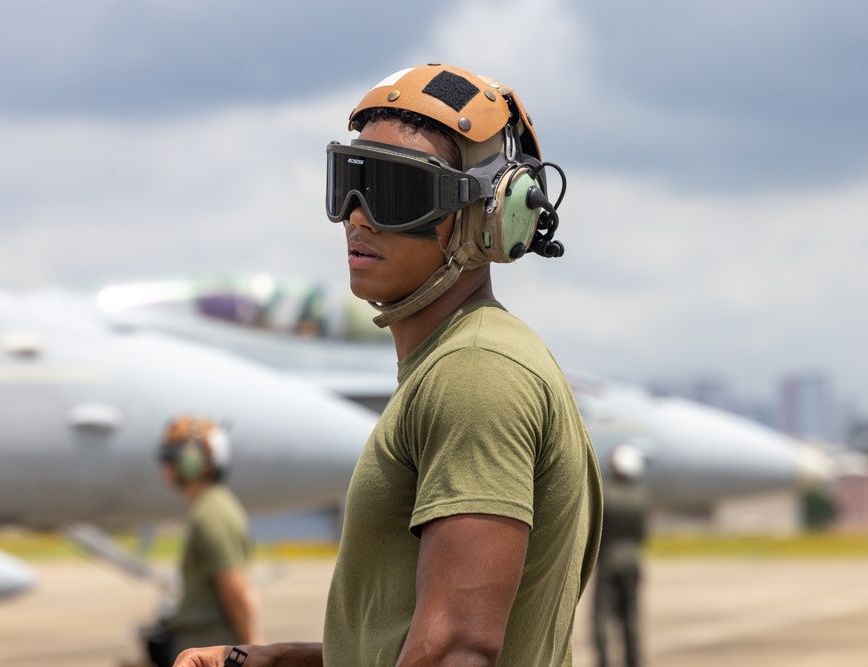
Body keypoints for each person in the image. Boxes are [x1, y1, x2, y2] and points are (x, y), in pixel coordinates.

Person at [174, 63, 603, 667]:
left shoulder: (477, 372)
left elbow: (457, 650)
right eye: (352, 181)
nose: (358, 214)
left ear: (491, 215)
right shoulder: (451, 364)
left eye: (395, 191)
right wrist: (278, 661)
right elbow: (415, 641)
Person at [156, 416, 262, 665]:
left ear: (192, 462)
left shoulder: (211, 512)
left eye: (169, 456)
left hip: (213, 647)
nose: (165, 464)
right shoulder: (209, 506)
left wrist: (253, 647)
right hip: (208, 645)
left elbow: (233, 586)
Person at [592, 444, 649, 667]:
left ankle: (604, 661)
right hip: (633, 561)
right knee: (631, 617)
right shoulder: (641, 498)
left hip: (607, 562)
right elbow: (642, 534)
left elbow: (597, 533)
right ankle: (633, 661)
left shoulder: (606, 496)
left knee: (602, 618)